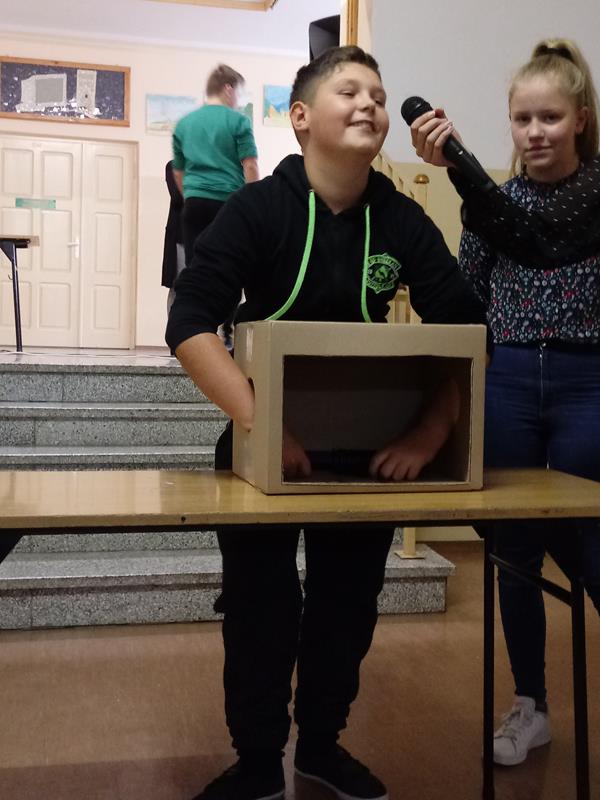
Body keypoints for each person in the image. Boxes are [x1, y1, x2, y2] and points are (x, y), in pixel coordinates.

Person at [166, 45, 489, 800]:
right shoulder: (258, 209)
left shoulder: (402, 220)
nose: (371, 103)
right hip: (259, 448)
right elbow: (189, 322)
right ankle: (256, 762)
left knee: (346, 609)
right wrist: (261, 424)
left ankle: (320, 747)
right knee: (261, 609)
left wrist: (427, 436)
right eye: (350, 91)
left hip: (366, 457)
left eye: (379, 94)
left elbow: (470, 338)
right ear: (301, 118)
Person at [410, 38, 600, 767]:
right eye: (523, 119)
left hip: (588, 379)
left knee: (591, 540)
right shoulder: (495, 203)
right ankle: (530, 705)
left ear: (580, 119)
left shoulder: (593, 195)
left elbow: (546, 244)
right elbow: (469, 300)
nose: (535, 132)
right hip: (511, 380)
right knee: (514, 550)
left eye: (550, 117)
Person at [172, 63, 259, 348]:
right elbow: (249, 165)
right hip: (229, 204)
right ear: (228, 89)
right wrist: (254, 202)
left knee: (196, 268)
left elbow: (178, 171)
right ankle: (227, 329)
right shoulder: (238, 122)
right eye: (239, 93)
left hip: (195, 205)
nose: (238, 100)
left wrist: (192, 196)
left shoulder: (184, 124)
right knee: (233, 268)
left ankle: (194, 329)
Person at [162, 160, 185, 313]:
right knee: (179, 288)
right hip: (181, 240)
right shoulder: (174, 166)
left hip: (207, 241)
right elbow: (178, 197)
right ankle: (175, 327)